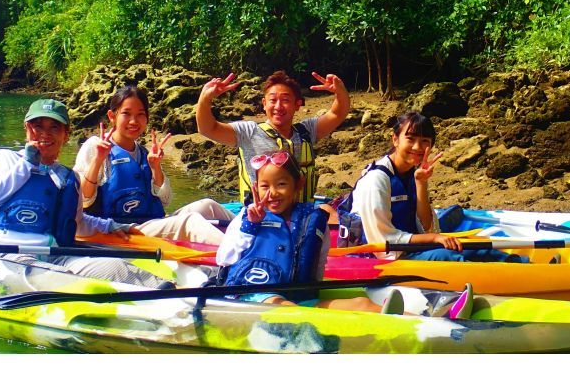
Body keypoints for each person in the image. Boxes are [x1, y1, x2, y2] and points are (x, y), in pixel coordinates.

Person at [0, 98, 170, 288]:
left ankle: (173, 296)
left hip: (55, 256)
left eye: (54, 128)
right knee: (60, 277)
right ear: (27, 129)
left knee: (114, 266)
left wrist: (110, 226)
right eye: (38, 126)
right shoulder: (7, 159)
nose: (45, 134)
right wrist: (28, 163)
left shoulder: (67, 178)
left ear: (65, 135)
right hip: (8, 256)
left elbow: (79, 223)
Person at [215, 149, 403, 314]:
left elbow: (318, 269)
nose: (272, 193)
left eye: (281, 184)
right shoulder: (246, 218)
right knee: (282, 305)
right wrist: (250, 226)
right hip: (251, 297)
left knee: (361, 303)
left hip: (297, 299)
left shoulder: (313, 220)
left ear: (298, 184)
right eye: (265, 186)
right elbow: (223, 259)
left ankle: (413, 321)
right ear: (256, 188)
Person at [337, 111, 530, 264]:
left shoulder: (413, 173)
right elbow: (383, 242)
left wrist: (421, 183)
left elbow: (428, 227)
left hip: (408, 248)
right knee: (449, 258)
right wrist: (433, 239)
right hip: (381, 258)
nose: (417, 147)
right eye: (410, 139)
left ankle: (524, 265)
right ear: (395, 139)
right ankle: (495, 278)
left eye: (425, 141)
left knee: (471, 246)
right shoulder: (377, 180)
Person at [75, 85, 232, 245]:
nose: (134, 121)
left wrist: (156, 167)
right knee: (190, 222)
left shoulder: (145, 153)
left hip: (150, 224)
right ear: (112, 116)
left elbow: (165, 201)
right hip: (120, 230)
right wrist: (97, 160)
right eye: (126, 114)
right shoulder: (95, 146)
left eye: (140, 115)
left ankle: (253, 232)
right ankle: (241, 255)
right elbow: (84, 200)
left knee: (208, 206)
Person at [196, 70, 350, 204]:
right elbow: (208, 128)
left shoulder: (307, 131)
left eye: (285, 100)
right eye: (272, 100)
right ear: (264, 104)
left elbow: (338, 113)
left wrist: (340, 91)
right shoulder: (248, 132)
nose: (278, 106)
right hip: (258, 216)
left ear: (297, 105)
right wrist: (205, 98)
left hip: (301, 214)